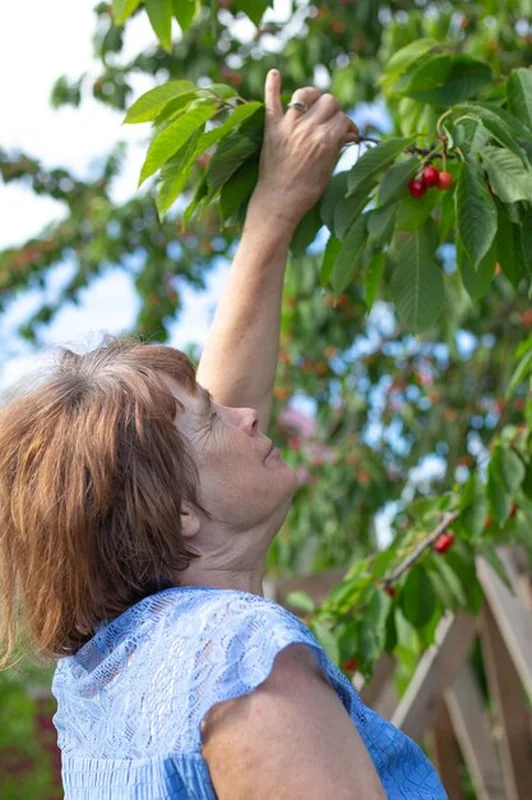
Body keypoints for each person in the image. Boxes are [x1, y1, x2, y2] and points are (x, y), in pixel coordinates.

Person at [0, 70, 447, 799]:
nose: (248, 416)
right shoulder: (244, 659)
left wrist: (274, 210)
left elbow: (194, 451)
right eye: (212, 417)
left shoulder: (102, 678)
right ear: (178, 510)